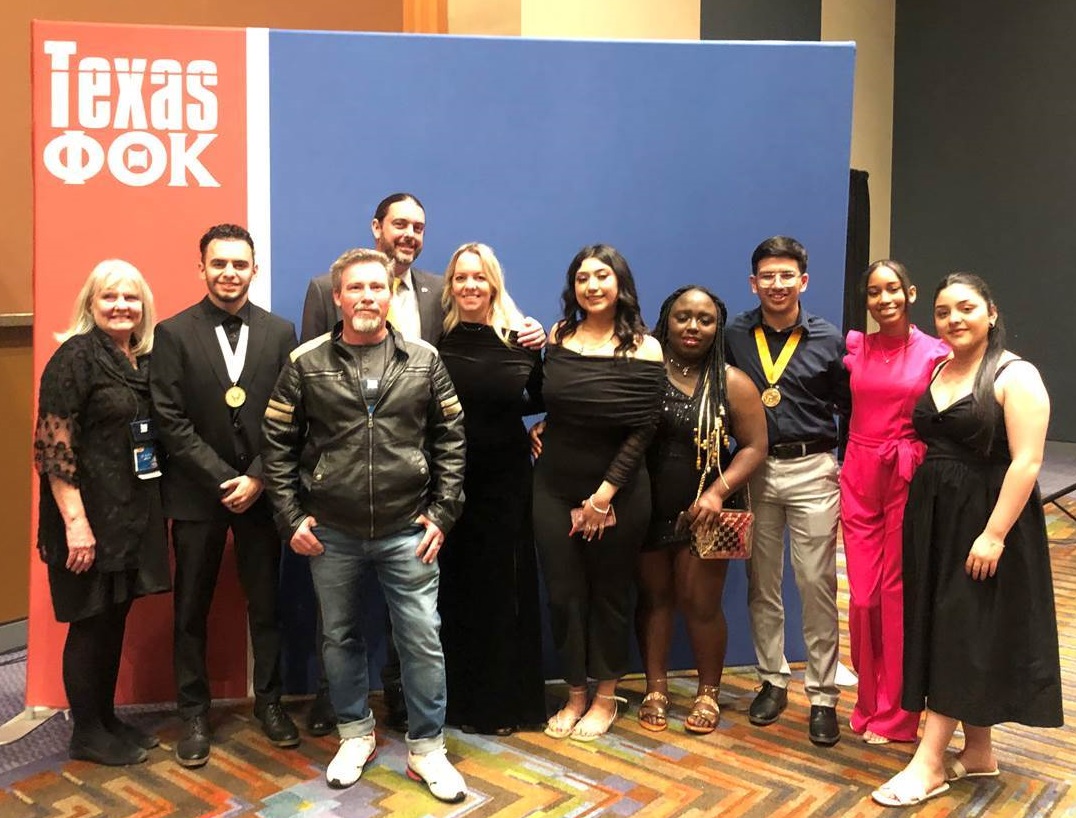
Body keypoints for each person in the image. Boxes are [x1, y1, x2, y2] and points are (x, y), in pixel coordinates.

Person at [298, 193, 545, 735]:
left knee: (423, 604)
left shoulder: (437, 291)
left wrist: (537, 373)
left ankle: (409, 698)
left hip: (437, 471)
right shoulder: (326, 288)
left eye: (418, 226)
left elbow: (503, 385)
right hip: (358, 475)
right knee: (344, 610)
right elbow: (311, 387)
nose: (408, 234)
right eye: (399, 224)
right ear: (376, 227)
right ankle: (333, 697)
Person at [262, 248, 468, 802]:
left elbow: (451, 440)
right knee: (339, 636)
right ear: (338, 297)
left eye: (377, 288)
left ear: (389, 293)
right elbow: (276, 445)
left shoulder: (423, 359)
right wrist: (290, 515)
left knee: (422, 639)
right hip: (332, 529)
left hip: (409, 529)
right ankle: (355, 734)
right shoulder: (305, 362)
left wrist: (443, 512)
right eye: (355, 289)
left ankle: (427, 749)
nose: (367, 298)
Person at [871, 273, 1063, 807]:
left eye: (965, 308)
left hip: (986, 519)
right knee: (950, 628)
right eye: (942, 311)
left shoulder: (1016, 374)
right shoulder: (942, 368)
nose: (953, 319)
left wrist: (995, 534)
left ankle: (929, 762)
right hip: (936, 517)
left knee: (961, 630)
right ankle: (978, 751)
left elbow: (1027, 462)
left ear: (991, 313)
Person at [150, 224, 299, 767]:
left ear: (253, 269)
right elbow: (168, 418)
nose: (230, 273)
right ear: (202, 268)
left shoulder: (280, 332)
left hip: (262, 493)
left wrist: (259, 476)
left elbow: (290, 414)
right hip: (196, 495)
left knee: (268, 604)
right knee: (191, 608)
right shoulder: (172, 332)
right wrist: (221, 477)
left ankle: (272, 703)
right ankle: (194, 712)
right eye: (219, 264)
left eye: (240, 264)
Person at [34, 259, 170, 765]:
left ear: (143, 307)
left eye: (130, 298)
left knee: (113, 619)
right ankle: (86, 733)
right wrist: (76, 524)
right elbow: (54, 447)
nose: (121, 306)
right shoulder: (74, 358)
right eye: (109, 297)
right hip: (86, 517)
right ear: (91, 303)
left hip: (129, 516)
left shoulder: (139, 358)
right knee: (90, 621)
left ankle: (106, 718)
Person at [532, 244, 664, 742]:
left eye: (602, 276)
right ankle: (574, 695)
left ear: (620, 284)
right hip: (552, 484)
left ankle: (606, 696)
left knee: (609, 595)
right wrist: (538, 426)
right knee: (564, 594)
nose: (592, 285)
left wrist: (603, 496)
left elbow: (643, 430)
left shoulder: (645, 348)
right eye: (582, 277)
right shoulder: (559, 336)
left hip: (619, 491)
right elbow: (558, 404)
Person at [724, 235, 850, 747]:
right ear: (753, 283)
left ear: (804, 281)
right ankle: (772, 680)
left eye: (786, 276)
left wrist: (843, 464)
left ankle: (822, 695)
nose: (776, 285)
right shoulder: (733, 334)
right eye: (766, 277)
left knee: (817, 583)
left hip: (812, 467)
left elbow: (849, 405)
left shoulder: (828, 337)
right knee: (762, 583)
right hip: (754, 469)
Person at [635, 286, 767, 735]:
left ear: (717, 327)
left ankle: (708, 691)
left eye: (705, 320)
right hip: (647, 507)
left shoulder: (732, 382)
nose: (693, 327)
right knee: (655, 601)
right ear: (665, 322)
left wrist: (717, 492)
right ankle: (656, 687)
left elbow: (754, 446)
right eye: (683, 317)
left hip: (706, 511)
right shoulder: (643, 371)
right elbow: (600, 413)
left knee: (700, 604)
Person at [436, 243, 547, 736]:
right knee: (453, 592)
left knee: (506, 591)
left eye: (479, 278)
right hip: (448, 480)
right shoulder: (433, 342)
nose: (470, 286)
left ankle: (506, 704)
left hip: (506, 479)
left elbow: (546, 396)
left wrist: (543, 427)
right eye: (461, 277)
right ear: (450, 285)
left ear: (494, 283)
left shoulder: (521, 340)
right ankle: (459, 703)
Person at [840, 261, 949, 745]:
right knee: (862, 597)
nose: (883, 299)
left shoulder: (935, 353)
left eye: (892, 290)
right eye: (873, 292)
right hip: (859, 473)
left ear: (910, 293)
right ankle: (868, 700)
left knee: (894, 594)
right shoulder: (856, 347)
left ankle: (899, 713)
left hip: (906, 472)